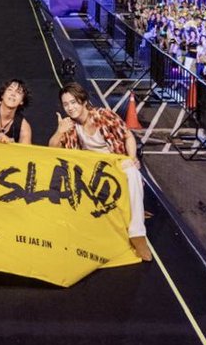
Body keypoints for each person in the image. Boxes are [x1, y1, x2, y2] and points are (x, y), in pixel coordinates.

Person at [49, 82, 151, 262]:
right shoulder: (70, 125)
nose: (70, 108)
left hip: (114, 163)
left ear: (83, 101)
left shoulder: (103, 116)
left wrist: (132, 157)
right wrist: (59, 131)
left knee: (132, 172)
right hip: (90, 170)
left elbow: (128, 136)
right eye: (66, 104)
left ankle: (137, 233)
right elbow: (51, 149)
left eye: (73, 102)